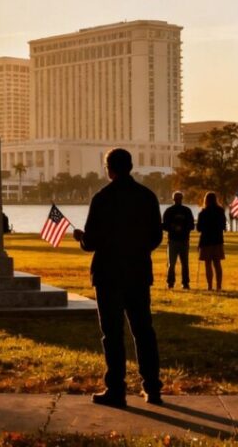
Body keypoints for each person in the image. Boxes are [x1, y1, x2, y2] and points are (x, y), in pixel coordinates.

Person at [73, 148, 164, 408]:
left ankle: (116, 389)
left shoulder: (103, 198)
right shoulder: (147, 197)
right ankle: (152, 387)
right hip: (137, 271)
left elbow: (91, 241)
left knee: (112, 334)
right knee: (143, 330)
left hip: (108, 273)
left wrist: (82, 239)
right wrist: (137, 249)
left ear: (109, 169)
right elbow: (156, 236)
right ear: (131, 166)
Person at [162, 191, 194, 290]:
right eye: (176, 198)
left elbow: (191, 225)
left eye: (179, 198)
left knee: (185, 263)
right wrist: (174, 228)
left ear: (182, 199)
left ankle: (185, 283)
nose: (178, 200)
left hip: (184, 240)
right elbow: (164, 225)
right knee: (171, 264)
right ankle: (170, 283)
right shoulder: (169, 211)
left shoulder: (187, 211)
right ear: (173, 199)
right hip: (173, 240)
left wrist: (182, 228)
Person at [196, 192, 227, 291]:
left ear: (206, 200)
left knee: (208, 264)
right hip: (217, 240)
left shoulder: (203, 212)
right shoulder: (220, 211)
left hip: (206, 241)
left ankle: (209, 286)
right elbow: (223, 226)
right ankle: (219, 286)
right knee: (217, 264)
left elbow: (199, 228)